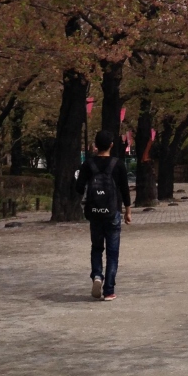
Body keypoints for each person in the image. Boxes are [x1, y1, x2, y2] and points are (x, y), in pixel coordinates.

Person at [75, 129, 132, 300]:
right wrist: (128, 211)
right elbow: (125, 189)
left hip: (94, 213)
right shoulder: (118, 164)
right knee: (112, 253)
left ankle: (97, 276)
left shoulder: (88, 164)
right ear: (111, 145)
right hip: (112, 212)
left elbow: (79, 188)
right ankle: (109, 291)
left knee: (96, 248)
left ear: (95, 145)